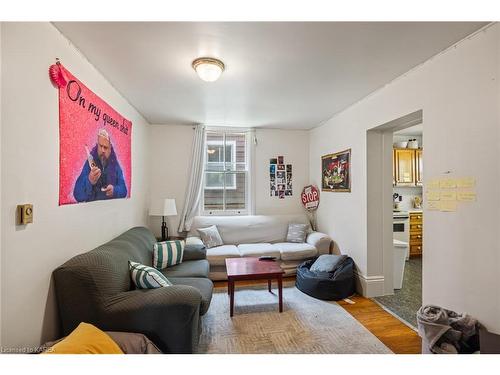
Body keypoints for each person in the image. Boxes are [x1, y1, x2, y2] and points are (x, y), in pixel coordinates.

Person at [73, 129, 127, 202]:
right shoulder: (90, 162)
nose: (103, 150)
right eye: (100, 146)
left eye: (105, 147)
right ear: (97, 145)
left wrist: (114, 190)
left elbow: (124, 190)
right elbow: (77, 194)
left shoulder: (115, 164)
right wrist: (89, 180)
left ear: (110, 149)